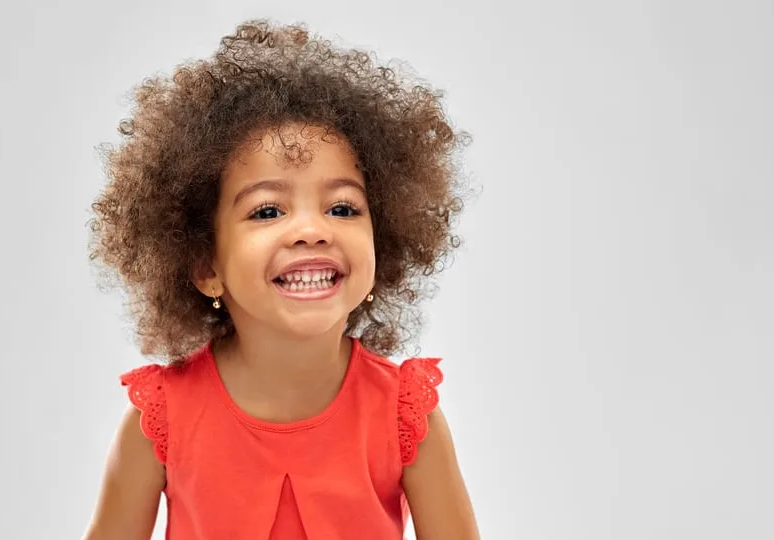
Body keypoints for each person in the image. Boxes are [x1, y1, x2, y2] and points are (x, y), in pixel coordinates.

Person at [84, 19, 479, 540]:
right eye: (268, 211)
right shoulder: (162, 419)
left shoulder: (405, 416)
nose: (312, 230)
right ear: (207, 266)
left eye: (342, 207)